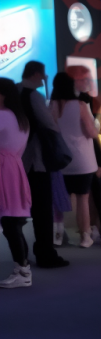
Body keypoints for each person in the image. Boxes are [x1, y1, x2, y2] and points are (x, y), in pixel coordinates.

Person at [18, 61, 69, 268]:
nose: (44, 78)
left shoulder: (15, 92)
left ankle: (21, 253)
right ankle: (46, 253)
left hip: (18, 159)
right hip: (37, 160)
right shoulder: (34, 96)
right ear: (36, 74)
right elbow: (49, 124)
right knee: (42, 209)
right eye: (43, 74)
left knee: (18, 210)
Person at [49, 72, 100, 249]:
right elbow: (91, 132)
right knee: (83, 199)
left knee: (58, 200)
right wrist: (96, 127)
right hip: (82, 161)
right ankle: (85, 237)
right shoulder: (80, 105)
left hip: (60, 161)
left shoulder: (51, 106)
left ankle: (57, 236)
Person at [0, 78, 34, 288]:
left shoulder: (3, 115)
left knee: (10, 223)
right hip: (15, 169)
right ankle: (22, 268)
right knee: (14, 221)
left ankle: (22, 270)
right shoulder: (21, 118)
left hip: (5, 170)